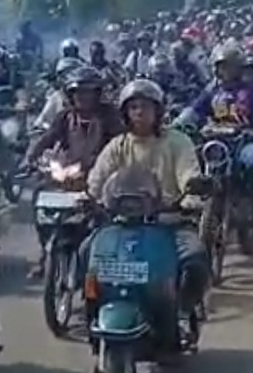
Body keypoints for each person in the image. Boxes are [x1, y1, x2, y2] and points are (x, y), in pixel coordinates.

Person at [86, 80, 210, 347]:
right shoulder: (117, 146)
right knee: (87, 254)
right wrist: (87, 198)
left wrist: (191, 194)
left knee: (196, 259)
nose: (139, 113)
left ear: (158, 111)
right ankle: (92, 313)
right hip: (120, 224)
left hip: (168, 222)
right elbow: (97, 180)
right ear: (125, 113)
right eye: (133, 107)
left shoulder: (177, 141)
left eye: (145, 107)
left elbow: (189, 173)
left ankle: (181, 311)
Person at [24, 66, 123, 278]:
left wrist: (102, 166)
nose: (83, 98)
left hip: (101, 177)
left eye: (88, 92)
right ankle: (45, 254)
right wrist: (31, 158)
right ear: (70, 94)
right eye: (78, 92)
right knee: (39, 197)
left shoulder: (110, 117)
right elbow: (47, 138)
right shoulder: (64, 117)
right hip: (68, 174)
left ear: (97, 94)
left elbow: (120, 144)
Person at [174, 41, 253, 225]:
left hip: (243, 141)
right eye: (222, 67)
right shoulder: (211, 92)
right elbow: (192, 111)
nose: (226, 71)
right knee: (190, 163)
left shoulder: (250, 91)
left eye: (230, 66)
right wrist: (175, 125)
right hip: (214, 141)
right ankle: (190, 204)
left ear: (239, 68)